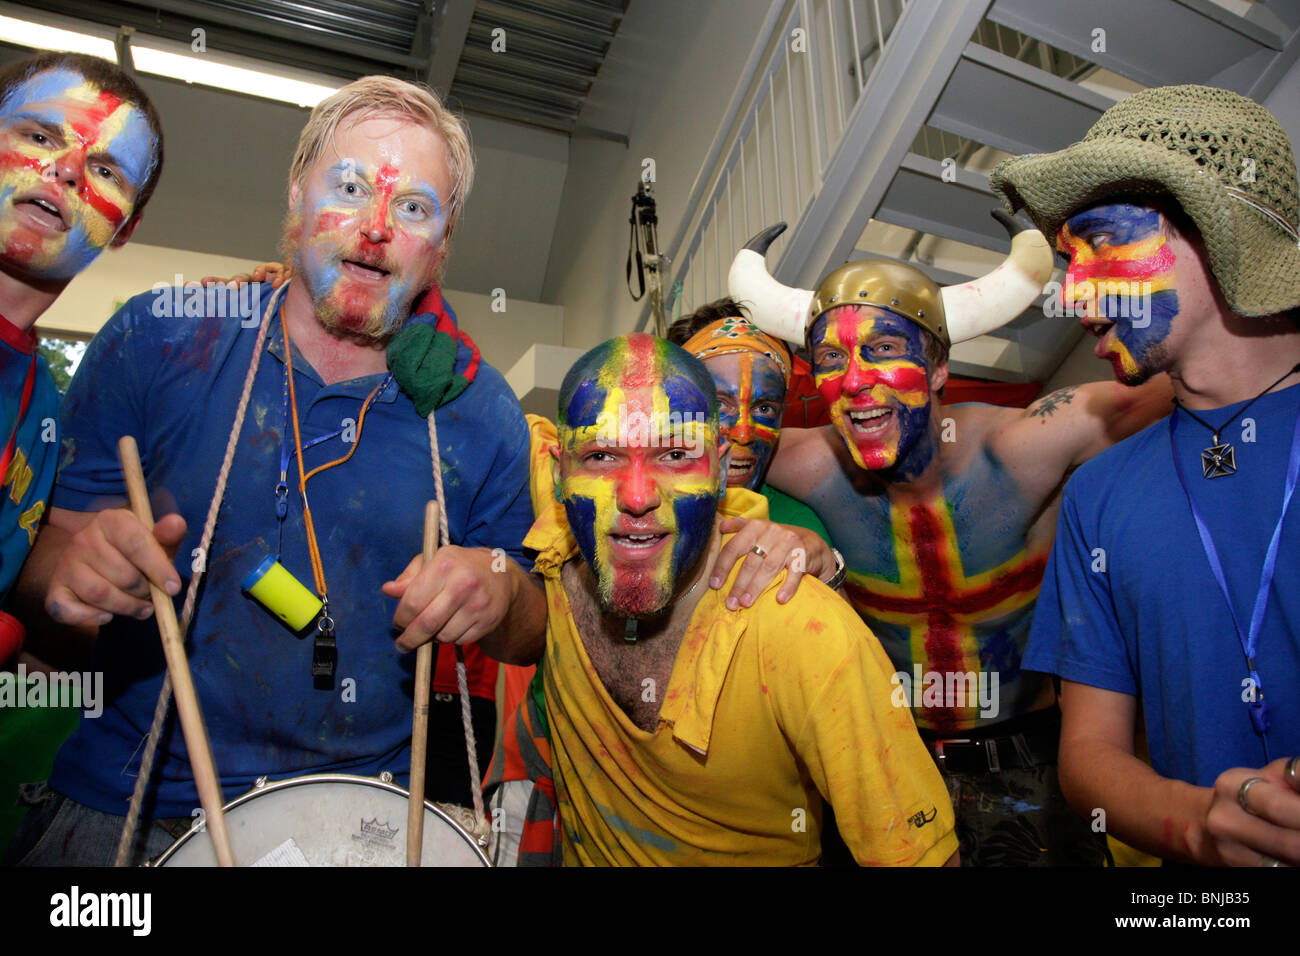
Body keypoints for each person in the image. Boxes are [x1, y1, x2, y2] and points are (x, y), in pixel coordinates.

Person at [5, 74, 550, 866]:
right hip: (117, 812)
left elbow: (532, 632)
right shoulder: (162, 338)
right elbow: (33, 557)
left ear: (444, 241)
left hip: (361, 826)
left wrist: (497, 587)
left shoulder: (481, 412)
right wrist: (72, 570)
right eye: (352, 187)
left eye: (413, 208)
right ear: (296, 195)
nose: (374, 231)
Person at [729, 213, 1176, 865]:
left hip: (1035, 755)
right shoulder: (806, 465)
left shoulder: (1023, 449)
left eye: (882, 350)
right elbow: (684, 458)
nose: (854, 382)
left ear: (937, 368)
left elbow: (1196, 379)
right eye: (830, 360)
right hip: (890, 758)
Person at [488, 331, 958, 866]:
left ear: (718, 467)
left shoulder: (808, 633)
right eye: (601, 454)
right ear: (558, 472)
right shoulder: (554, 561)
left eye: (673, 453)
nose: (637, 496)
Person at [990, 84, 1300, 866]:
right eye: (1067, 261)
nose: (1075, 291)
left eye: (1101, 242)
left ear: (1220, 230)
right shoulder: (1097, 493)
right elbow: (1088, 759)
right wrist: (1198, 825)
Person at [0, 52, 163, 620]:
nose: (67, 169)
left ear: (126, 228)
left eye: (105, 171)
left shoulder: (42, 415)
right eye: (41, 136)